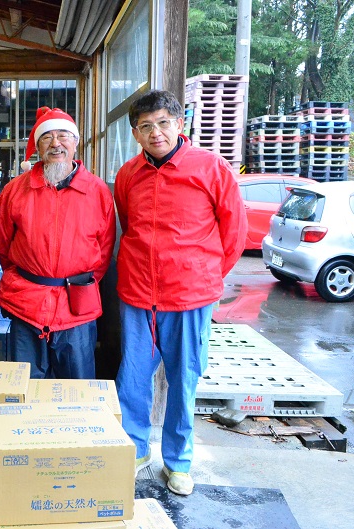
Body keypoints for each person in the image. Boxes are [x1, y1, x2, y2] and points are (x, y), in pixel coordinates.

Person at [113, 90, 247, 496]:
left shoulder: (211, 168)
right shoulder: (127, 175)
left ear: (180, 124)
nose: (156, 133)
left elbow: (235, 232)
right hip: (137, 294)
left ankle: (179, 461)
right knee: (132, 379)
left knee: (183, 380)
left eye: (163, 123)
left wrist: (204, 276)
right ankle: (135, 451)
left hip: (190, 297)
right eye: (146, 126)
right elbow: (127, 224)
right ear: (136, 133)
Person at [0, 107, 116, 379]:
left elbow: (104, 250)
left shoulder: (97, 192)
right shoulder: (15, 191)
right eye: (47, 137)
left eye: (63, 136)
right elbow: (3, 247)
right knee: (24, 387)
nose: (56, 143)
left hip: (77, 306)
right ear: (37, 145)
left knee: (77, 387)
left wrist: (79, 284)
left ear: (76, 142)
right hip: (26, 302)